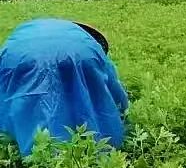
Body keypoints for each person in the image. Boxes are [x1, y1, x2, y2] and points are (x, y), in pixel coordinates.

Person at [0, 19, 128, 156]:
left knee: (24, 99)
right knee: (90, 90)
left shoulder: (32, 30)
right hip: (83, 54)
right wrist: (124, 111)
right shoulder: (88, 42)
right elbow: (112, 86)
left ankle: (38, 153)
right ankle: (91, 151)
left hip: (19, 56)